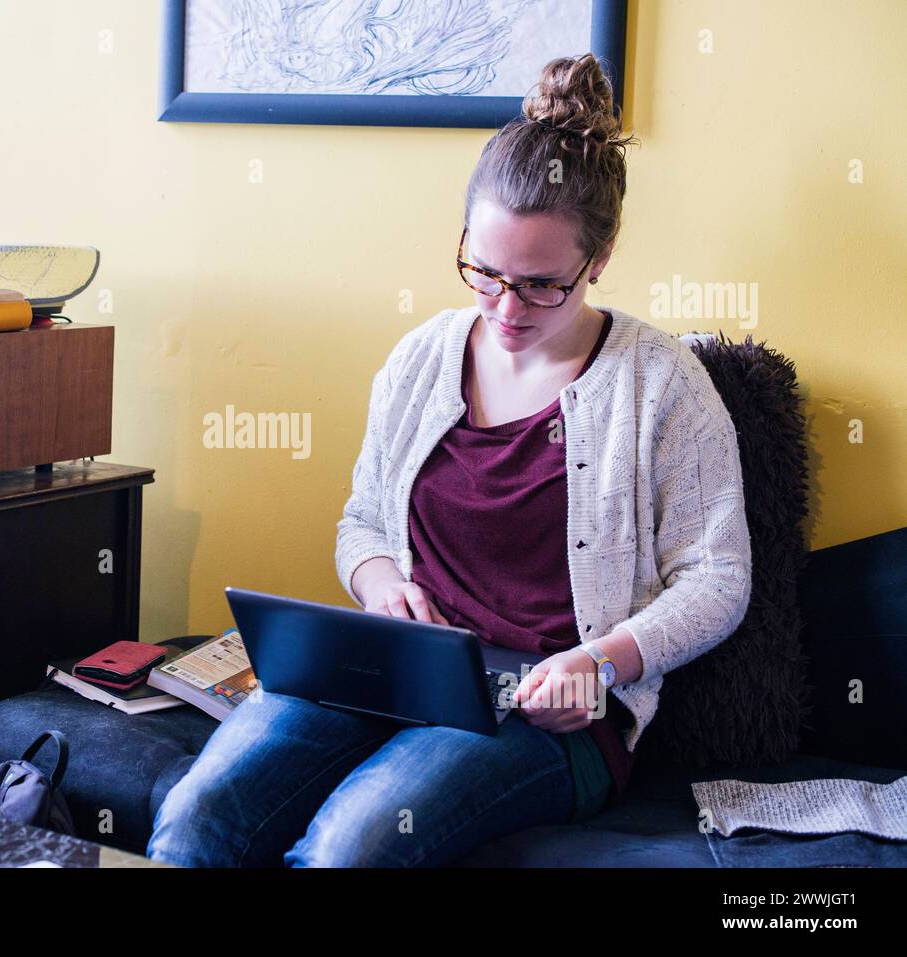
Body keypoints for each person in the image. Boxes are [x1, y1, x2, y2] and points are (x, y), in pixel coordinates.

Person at [146, 52, 752, 868]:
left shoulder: (661, 384)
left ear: (599, 258)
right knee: (196, 819)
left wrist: (599, 664)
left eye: (541, 286)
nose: (505, 308)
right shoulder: (422, 358)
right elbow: (361, 522)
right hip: (394, 673)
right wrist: (380, 582)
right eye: (485, 273)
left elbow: (718, 578)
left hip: (550, 713)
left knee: (349, 849)